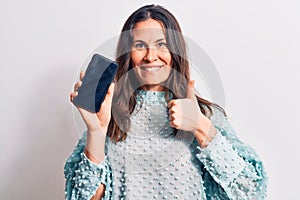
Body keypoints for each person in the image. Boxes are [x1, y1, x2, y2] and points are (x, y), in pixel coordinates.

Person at [65, 4, 267, 200]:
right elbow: (86, 197)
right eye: (140, 45)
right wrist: (96, 132)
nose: (151, 56)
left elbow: (250, 192)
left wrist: (201, 126)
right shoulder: (109, 115)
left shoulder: (204, 114)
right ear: (128, 53)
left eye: (161, 44)